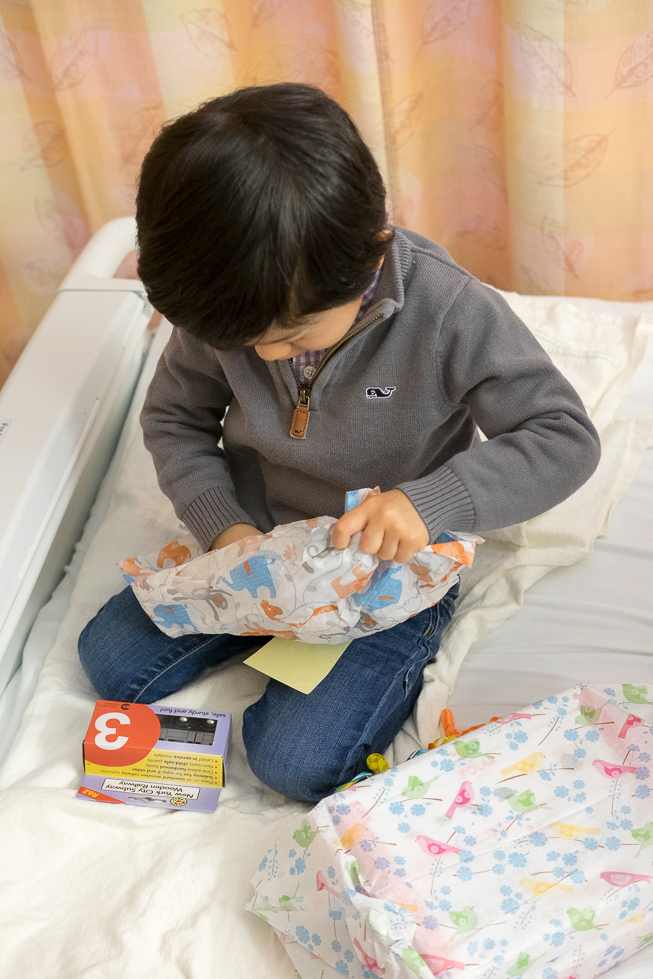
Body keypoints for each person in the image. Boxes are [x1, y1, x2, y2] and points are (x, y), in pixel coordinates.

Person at [78, 83, 601, 802]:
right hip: (255, 547)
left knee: (292, 762)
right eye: (241, 340)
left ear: (370, 258)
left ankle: (335, 663)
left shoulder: (450, 311)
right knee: (108, 659)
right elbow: (174, 419)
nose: (262, 356)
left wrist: (427, 503)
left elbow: (562, 436)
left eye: (289, 336)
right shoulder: (231, 295)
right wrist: (223, 528)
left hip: (379, 571)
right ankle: (268, 636)